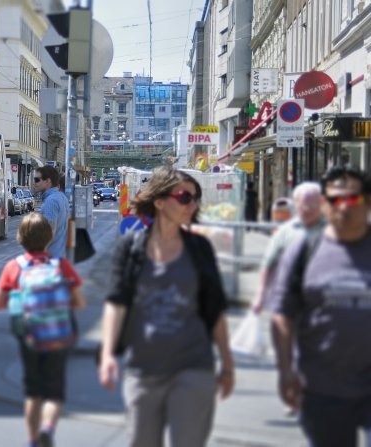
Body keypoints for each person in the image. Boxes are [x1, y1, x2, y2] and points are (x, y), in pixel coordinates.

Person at [97, 166, 235, 447]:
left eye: (195, 198)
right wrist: (108, 353)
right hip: (143, 369)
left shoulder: (200, 248)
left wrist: (228, 364)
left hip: (194, 367)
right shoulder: (131, 248)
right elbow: (117, 302)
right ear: (159, 202)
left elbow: (215, 309)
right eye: (185, 197)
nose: (192, 204)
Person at [268, 167, 371, 447]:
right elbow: (283, 315)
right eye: (335, 200)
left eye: (352, 199)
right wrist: (286, 370)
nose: (343, 207)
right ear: (324, 204)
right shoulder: (303, 251)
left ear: (367, 202)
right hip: (323, 386)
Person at [0, 213, 85, 447]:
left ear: (20, 238)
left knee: (34, 391)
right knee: (54, 390)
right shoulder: (60, 265)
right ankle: (48, 427)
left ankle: (32, 439)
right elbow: (79, 302)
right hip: (57, 334)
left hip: (30, 336)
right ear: (49, 237)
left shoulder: (14, 267)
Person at [250, 182, 324, 315]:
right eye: (304, 204)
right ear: (295, 204)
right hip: (287, 297)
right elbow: (268, 264)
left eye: (313, 205)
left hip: (322, 299)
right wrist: (260, 296)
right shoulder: (284, 232)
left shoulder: (332, 230)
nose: (308, 209)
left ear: (321, 203)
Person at [33, 166, 69, 258]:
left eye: (37, 180)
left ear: (47, 181)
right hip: (60, 255)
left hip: (49, 258)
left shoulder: (51, 201)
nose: (34, 183)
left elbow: (49, 233)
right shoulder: (62, 197)